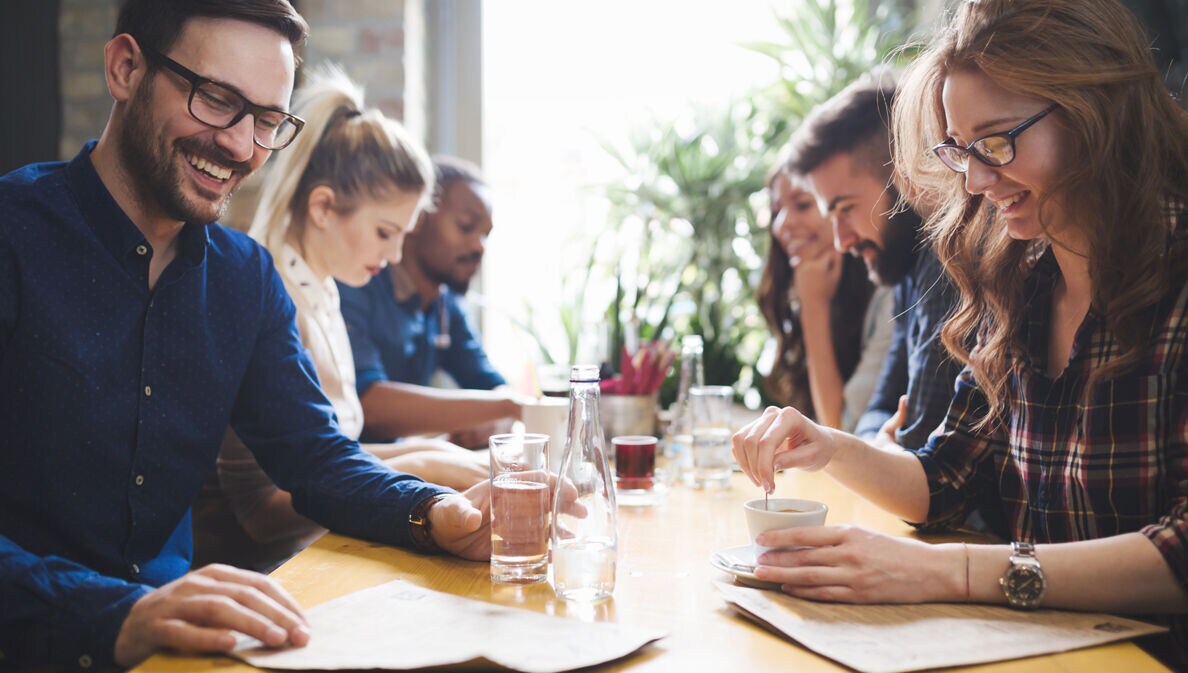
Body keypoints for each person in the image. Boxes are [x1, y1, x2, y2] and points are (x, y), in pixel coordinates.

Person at [0, 2, 502, 668]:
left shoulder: (246, 279)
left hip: (180, 651)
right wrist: (114, 612)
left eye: (268, 121)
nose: (241, 147)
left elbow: (316, 458)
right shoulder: (13, 235)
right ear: (125, 69)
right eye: (216, 100)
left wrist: (437, 514)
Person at [732, 0, 1188, 664]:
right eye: (960, 150)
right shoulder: (1022, 280)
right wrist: (827, 445)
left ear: (1095, 115)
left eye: (996, 142)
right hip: (1052, 650)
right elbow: (947, 477)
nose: (973, 179)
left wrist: (950, 571)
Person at [191, 66, 490, 574]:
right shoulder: (274, 296)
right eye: (384, 233)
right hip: (262, 570)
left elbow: (330, 455)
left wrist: (433, 454)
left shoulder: (324, 289)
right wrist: (422, 465)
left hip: (325, 548)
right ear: (324, 208)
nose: (395, 256)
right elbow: (263, 514)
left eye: (403, 235)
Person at [784, 75, 963, 452]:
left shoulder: (947, 266)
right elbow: (875, 413)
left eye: (846, 209)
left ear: (905, 175)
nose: (841, 241)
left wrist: (882, 446)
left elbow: (918, 450)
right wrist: (881, 443)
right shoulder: (907, 273)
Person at [339, 156, 524, 447]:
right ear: (416, 218)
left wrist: (495, 419)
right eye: (466, 226)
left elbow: (491, 383)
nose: (479, 246)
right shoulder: (357, 282)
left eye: (486, 235)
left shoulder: (445, 305)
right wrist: (504, 407)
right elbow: (365, 405)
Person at [757, 162, 894, 431]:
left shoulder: (889, 295)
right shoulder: (804, 286)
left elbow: (840, 431)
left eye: (803, 205)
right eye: (776, 211)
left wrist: (814, 306)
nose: (782, 224)